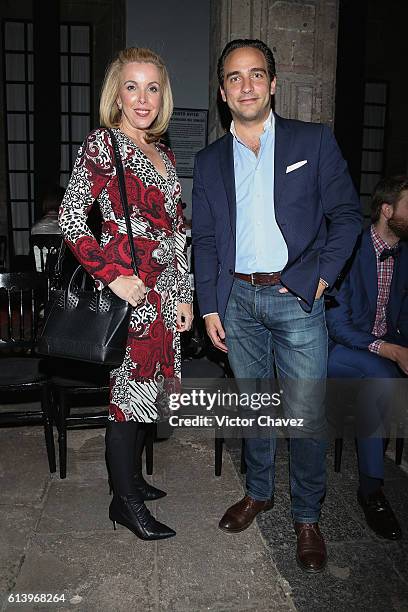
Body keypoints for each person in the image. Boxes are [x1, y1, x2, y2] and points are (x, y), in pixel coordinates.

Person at [192, 38, 361, 572]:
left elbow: (347, 216)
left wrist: (320, 279)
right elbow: (206, 239)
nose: (247, 85)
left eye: (256, 74)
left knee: (306, 414)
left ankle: (307, 516)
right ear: (223, 92)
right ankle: (259, 492)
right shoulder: (209, 159)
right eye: (235, 77)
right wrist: (210, 303)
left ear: (273, 83)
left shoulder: (314, 140)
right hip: (237, 300)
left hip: (298, 300)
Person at [59, 47, 193, 540]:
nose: (143, 98)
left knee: (147, 398)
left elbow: (176, 231)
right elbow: (71, 220)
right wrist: (112, 276)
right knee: (126, 401)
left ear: (164, 95)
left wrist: (184, 295)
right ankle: (126, 503)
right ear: (116, 94)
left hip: (163, 297)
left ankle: (131, 478)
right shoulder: (103, 145)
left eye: (152, 87)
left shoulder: (164, 151)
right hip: (129, 297)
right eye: (132, 86)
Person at [326, 175, 408, 540]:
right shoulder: (349, 247)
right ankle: (371, 490)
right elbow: (336, 323)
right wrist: (390, 350)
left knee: (377, 383)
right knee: (383, 379)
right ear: (387, 210)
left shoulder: (405, 254)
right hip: (337, 350)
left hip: (382, 349)